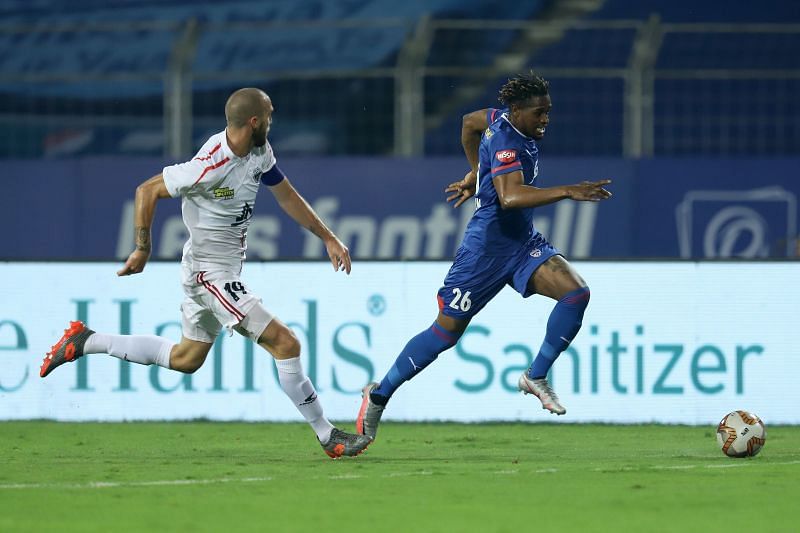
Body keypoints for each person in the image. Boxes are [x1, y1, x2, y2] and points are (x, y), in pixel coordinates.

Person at [40, 88, 372, 459]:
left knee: (186, 358)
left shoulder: (260, 151)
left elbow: (286, 195)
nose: (272, 120)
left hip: (216, 269)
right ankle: (329, 436)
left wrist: (327, 237)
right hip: (208, 273)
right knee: (286, 343)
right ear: (254, 122)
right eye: (270, 114)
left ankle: (85, 341)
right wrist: (143, 248)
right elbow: (146, 191)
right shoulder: (209, 163)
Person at [356, 72, 612, 440]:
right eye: (539, 113)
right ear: (518, 111)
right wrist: (568, 190)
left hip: (522, 244)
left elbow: (468, 123)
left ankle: (535, 376)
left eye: (548, 112)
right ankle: (378, 395)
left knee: (576, 293)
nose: (545, 120)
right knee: (444, 334)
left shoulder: (497, 119)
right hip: (484, 253)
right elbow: (509, 197)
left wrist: (478, 172)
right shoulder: (508, 140)